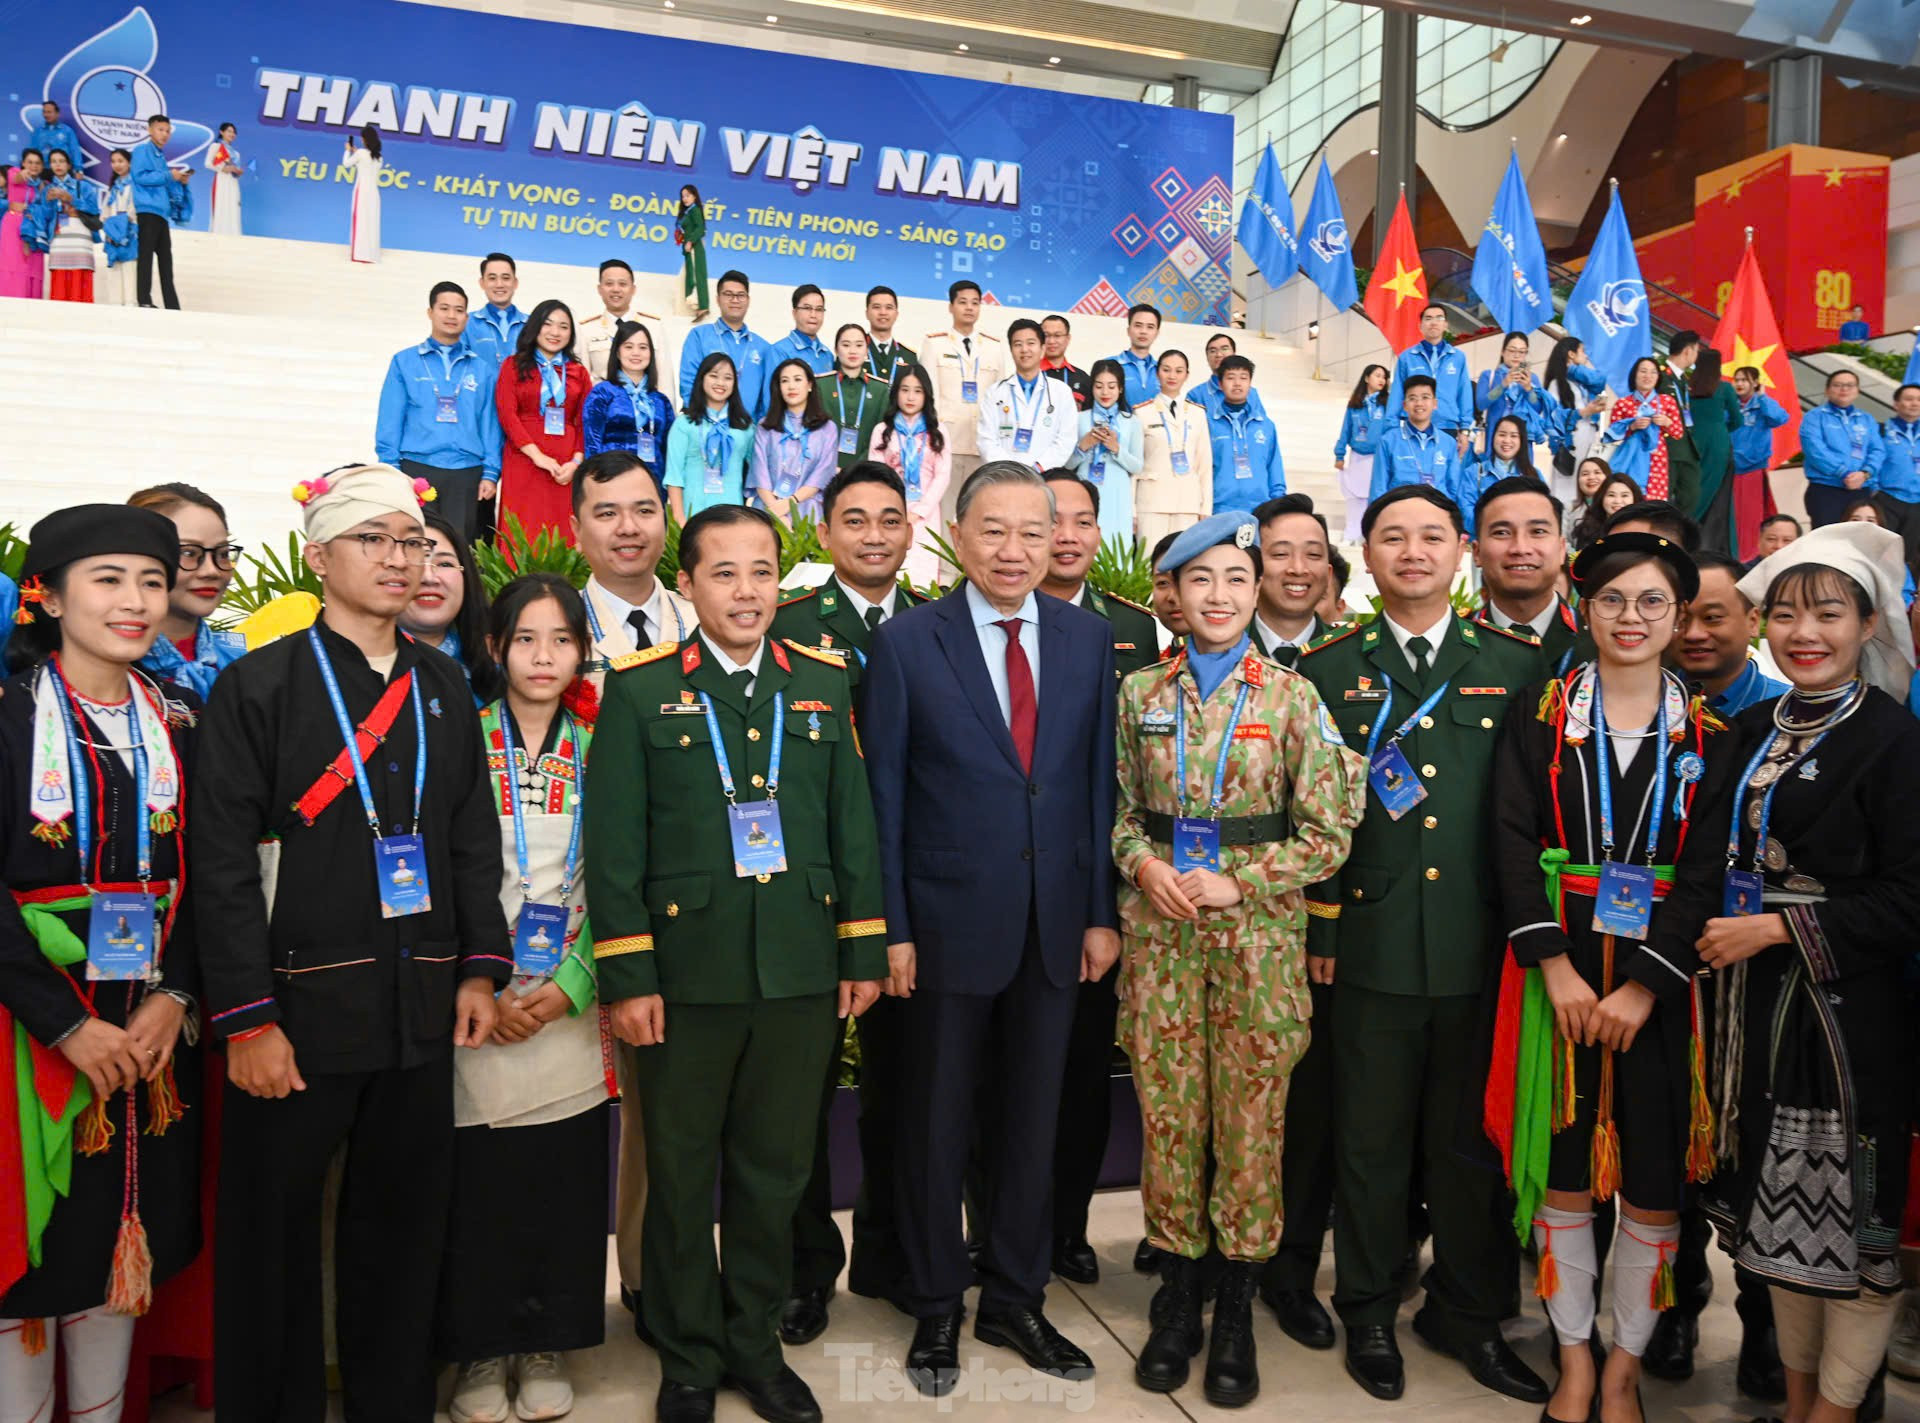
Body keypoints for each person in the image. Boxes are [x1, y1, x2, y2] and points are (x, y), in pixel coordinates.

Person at [192, 464, 509, 1422]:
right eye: (372, 538)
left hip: (418, 1009)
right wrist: (246, 1019)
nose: (398, 557)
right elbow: (220, 864)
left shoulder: (446, 681)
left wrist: (482, 969)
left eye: (410, 540)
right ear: (318, 554)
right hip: (295, 1014)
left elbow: (468, 838)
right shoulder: (260, 685)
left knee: (401, 1231)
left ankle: (391, 1402)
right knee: (272, 1237)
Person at [585, 503, 885, 1423]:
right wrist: (630, 978)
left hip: (798, 968)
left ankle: (753, 1341)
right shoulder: (639, 690)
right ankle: (686, 1350)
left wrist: (861, 946)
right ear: (688, 584)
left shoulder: (824, 683)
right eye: (725, 572)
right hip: (687, 975)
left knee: (774, 1169)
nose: (747, 591)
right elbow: (615, 847)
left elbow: (852, 824)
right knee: (678, 1172)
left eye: (763, 572)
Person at [863, 463, 1118, 1396]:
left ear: (1055, 535)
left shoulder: (1090, 640)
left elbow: (1094, 788)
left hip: (1056, 925)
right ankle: (937, 1300)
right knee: (936, 1117)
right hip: (942, 925)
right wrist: (891, 926)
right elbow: (884, 798)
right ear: (958, 536)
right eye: (993, 531)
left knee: (1032, 1117)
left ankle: (1016, 1293)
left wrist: (1099, 912)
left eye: (1031, 531)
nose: (1014, 550)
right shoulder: (904, 642)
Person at [1298, 484, 1550, 1405]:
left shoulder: (1518, 664)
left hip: (1482, 948)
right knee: (1369, 1139)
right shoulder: (1330, 668)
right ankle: (1367, 1305)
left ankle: (1469, 1312)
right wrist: (1324, 919)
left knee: (1470, 1143)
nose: (1414, 552)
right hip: (1366, 947)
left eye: (1433, 537)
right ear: (1363, 556)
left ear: (1463, 554)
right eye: (1392, 537)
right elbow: (1308, 809)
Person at [1483, 532, 1736, 1423]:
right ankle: (1576, 1358)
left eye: (1652, 603)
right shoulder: (1542, 713)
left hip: (1662, 983)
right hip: (1563, 969)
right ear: (1582, 607)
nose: (1631, 618)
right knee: (1564, 1165)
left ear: (1679, 616)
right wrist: (1552, 963)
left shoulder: (1710, 732)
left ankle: (1626, 1364)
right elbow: (1512, 839)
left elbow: (1707, 870)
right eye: (1613, 600)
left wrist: (1646, 983)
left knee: (1656, 1177)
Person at [1119, 511, 1364, 1408]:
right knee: (1171, 1116)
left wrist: (1242, 879)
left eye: (1234, 579)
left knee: (1253, 1123)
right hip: (1161, 939)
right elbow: (1114, 813)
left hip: (1257, 940)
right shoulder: (1140, 693)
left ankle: (1234, 1303)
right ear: (1173, 598)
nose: (1218, 596)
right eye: (1199, 581)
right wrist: (1142, 862)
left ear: (1255, 590)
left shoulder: (1293, 698)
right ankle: (1177, 1293)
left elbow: (1333, 828)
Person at [1705, 522, 1920, 1423]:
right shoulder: (1748, 727)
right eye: (1787, 612)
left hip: (1847, 1026)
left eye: (1829, 613)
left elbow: (1910, 897)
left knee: (1857, 1240)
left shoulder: (1893, 740)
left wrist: (1778, 929)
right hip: (1752, 1016)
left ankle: (1833, 1414)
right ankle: (1797, 1404)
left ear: (1870, 624)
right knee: (1775, 1223)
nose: (1806, 632)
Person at [0, 504, 201, 1423]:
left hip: (151, 1038)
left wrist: (175, 995)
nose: (135, 602)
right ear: (46, 593)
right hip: (28, 1031)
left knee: (124, 1243)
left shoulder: (182, 725)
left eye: (152, 581)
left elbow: (219, 877)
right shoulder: (8, 719)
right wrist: (67, 1023)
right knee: (35, 1253)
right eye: (108, 579)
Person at [440, 574, 608, 1423]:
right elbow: (436, 871)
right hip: (477, 997)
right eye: (526, 638)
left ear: (583, 649)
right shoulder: (457, 739)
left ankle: (544, 1337)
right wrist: (481, 979)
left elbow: (625, 873)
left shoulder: (605, 741)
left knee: (561, 1181)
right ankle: (479, 1347)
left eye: (562, 639)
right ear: (495, 646)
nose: (544, 656)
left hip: (568, 1003)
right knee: (479, 1185)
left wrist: (571, 982)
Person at [772, 462, 928, 1343]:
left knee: (907, 1093)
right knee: (797, 1100)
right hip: (810, 895)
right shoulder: (790, 627)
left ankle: (892, 1252)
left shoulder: (943, 624)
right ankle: (804, 1270)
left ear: (911, 530)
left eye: (890, 519)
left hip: (911, 901)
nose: (874, 534)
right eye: (855, 520)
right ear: (824, 534)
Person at [564, 452, 692, 1339]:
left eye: (643, 509)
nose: (628, 528)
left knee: (665, 1110)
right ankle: (551, 1299)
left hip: (688, 905)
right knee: (563, 1109)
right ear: (578, 527)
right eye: (607, 513)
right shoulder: (549, 626)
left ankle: (654, 1278)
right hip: (568, 904)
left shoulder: (702, 613)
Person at [374, 281, 502, 544]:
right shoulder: (404, 361)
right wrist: (392, 467)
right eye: (444, 308)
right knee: (413, 542)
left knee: (458, 547)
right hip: (416, 468)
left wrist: (490, 472)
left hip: (466, 471)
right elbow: (390, 417)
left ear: (467, 317)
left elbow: (490, 424)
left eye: (459, 310)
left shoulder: (482, 369)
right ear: (430, 312)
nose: (451, 316)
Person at [126, 483, 248, 697]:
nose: (211, 571)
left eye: (222, 553)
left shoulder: (244, 665)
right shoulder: (109, 666)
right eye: (189, 553)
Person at [1040, 472, 1160, 680]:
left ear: (1098, 535)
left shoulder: (1134, 626)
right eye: (1052, 522)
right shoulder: (1000, 620)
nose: (1068, 537)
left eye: (1083, 523)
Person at [496, 299, 591, 542]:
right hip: (524, 460)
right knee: (524, 529)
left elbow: (585, 421)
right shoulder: (513, 365)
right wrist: (537, 456)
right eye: (548, 324)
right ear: (535, 326)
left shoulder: (578, 372)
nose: (555, 332)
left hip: (565, 467)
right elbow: (507, 415)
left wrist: (576, 462)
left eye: (563, 326)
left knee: (564, 531)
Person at [1473, 476, 1580, 675]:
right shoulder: (1448, 644)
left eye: (1538, 531)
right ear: (1477, 552)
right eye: (1502, 533)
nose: (1521, 548)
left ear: (1561, 549)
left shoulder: (1599, 639)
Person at [919, 280, 1006, 506]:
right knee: (945, 511)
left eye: (975, 303)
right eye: (963, 302)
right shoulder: (934, 344)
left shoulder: (994, 346)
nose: (969, 308)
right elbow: (928, 396)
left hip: (983, 444)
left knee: (978, 509)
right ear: (951, 306)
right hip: (948, 442)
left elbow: (1001, 399)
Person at [402, 513, 499, 703]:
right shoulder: (358, 667)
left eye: (445, 564)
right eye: (414, 562)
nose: (429, 577)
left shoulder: (497, 664)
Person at [1676, 551, 1788, 716]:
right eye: (1681, 619)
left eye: (1712, 618)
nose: (1693, 634)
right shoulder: (1648, 704)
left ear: (1753, 621)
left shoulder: (1785, 710)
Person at [869, 364, 950, 586]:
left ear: (926, 395)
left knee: (923, 575)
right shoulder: (882, 430)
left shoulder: (938, 431)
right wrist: (897, 509)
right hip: (892, 512)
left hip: (927, 515)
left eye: (917, 391)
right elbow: (877, 476)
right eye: (905, 390)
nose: (910, 397)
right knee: (893, 570)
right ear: (896, 393)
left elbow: (942, 476)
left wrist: (919, 512)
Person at [583, 319, 676, 492]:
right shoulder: (602, 393)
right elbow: (592, 445)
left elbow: (668, 449)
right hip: (611, 481)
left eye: (643, 347)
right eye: (628, 346)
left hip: (652, 482)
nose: (636, 353)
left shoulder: (660, 400)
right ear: (617, 352)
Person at [978, 319, 1077, 473]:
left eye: (1031, 343)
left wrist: (1039, 468)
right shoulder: (995, 393)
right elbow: (986, 440)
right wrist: (1010, 470)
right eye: (1018, 344)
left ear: (1042, 349)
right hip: (1005, 477)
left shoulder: (1061, 392)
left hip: (1046, 475)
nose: (1024, 349)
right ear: (1011, 350)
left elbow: (1066, 439)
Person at [1136, 349, 1212, 547]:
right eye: (1166, 370)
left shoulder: (1197, 413)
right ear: (1157, 373)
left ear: (1187, 375)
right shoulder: (1142, 413)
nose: (1172, 376)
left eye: (1179, 371)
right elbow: (1135, 465)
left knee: (1184, 564)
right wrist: (1132, 510)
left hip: (1188, 502)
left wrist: (1206, 508)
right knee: (1148, 563)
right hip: (1152, 502)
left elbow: (1204, 464)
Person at [664, 353, 753, 522]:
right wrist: (679, 518)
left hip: (733, 517)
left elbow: (758, 470)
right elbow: (674, 475)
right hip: (692, 517)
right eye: (713, 376)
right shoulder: (684, 424)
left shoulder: (744, 427)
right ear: (701, 379)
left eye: (728, 378)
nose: (720, 383)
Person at [1247, 494, 1333, 663]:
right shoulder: (1220, 649)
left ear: (1329, 574)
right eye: (1281, 554)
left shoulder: (1354, 655)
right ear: (1252, 569)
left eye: (1313, 554)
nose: (1299, 569)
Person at [1369, 375, 1470, 518]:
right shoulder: (1388, 441)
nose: (1419, 403)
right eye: (1412, 398)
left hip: (1437, 517)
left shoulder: (1448, 443)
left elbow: (1454, 488)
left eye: (1425, 397)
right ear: (1404, 405)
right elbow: (1378, 489)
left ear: (1435, 403)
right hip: (1400, 517)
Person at [751, 358, 838, 525]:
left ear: (810, 385)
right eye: (785, 381)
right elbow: (759, 472)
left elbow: (822, 474)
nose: (791, 386)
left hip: (808, 510)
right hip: (768, 509)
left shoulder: (827, 428)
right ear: (778, 388)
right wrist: (776, 511)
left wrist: (790, 503)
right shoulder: (765, 426)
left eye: (798, 379)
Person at [678, 270, 772, 420]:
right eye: (728, 294)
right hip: (705, 426)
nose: (735, 300)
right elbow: (688, 384)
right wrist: (704, 421)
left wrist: (755, 429)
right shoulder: (699, 336)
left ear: (748, 300)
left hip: (747, 432)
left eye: (740, 295)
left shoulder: (764, 347)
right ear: (718, 299)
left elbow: (767, 397)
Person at [1068, 360, 1143, 545]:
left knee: (1116, 544)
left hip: (1118, 492)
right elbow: (1067, 465)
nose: (1105, 392)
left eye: (1111, 386)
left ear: (1121, 389)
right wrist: (1083, 445)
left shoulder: (1131, 421)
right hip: (1086, 488)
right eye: (1099, 386)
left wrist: (1116, 449)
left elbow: (1138, 466)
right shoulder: (1079, 419)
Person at [1800, 370, 1886, 528]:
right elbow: (1815, 450)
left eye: (1849, 385)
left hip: (1861, 488)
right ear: (1827, 390)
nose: (1844, 389)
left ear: (1857, 391)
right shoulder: (1814, 417)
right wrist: (1843, 473)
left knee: (1860, 540)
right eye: (1837, 385)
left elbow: (1878, 450)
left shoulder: (1866, 419)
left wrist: (1865, 473)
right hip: (1826, 490)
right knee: (1827, 541)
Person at [1388, 304, 1473, 458]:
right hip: (1414, 426)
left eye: (1439, 318)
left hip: (1447, 426)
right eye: (1428, 318)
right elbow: (1396, 395)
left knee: (1443, 477)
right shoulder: (1407, 357)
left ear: (1446, 325)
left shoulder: (1458, 357)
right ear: (1420, 326)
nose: (1433, 322)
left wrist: (1465, 429)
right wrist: (1391, 429)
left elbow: (1464, 393)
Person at [1208, 355, 1287, 515]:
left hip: (1260, 509)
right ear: (1221, 384)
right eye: (1230, 378)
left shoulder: (1265, 425)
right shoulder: (1208, 424)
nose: (1237, 383)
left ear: (1250, 383)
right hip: (1220, 508)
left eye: (1243, 378)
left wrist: (1278, 503)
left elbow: (1274, 466)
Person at [1729, 366, 1790, 561]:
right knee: (1733, 518)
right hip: (1729, 469)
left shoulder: (1763, 405)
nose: (1739, 384)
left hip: (1753, 468)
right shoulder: (1729, 404)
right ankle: (1733, 556)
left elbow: (1780, 418)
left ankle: (1751, 558)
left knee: (1752, 519)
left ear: (1755, 383)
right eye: (1736, 380)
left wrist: (1762, 397)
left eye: (1744, 380)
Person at [1604, 357, 1686, 502]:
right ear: (1634, 375)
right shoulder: (1623, 403)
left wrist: (1667, 422)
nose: (1648, 376)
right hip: (1629, 458)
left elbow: (1678, 433)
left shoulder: (1667, 401)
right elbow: (1612, 436)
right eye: (1643, 371)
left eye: (1653, 372)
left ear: (1658, 377)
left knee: (1654, 503)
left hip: (1656, 458)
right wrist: (1632, 426)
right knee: (1628, 499)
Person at [1687, 350, 1744, 554]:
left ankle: (1685, 532)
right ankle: (1718, 547)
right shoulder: (1725, 388)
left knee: (1693, 488)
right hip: (1719, 443)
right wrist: (1721, 430)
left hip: (1693, 442)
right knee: (1721, 494)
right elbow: (1738, 420)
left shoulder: (1688, 387)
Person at [578, 258, 665, 386]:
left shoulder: (653, 327)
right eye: (609, 284)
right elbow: (583, 380)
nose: (616, 289)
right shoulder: (586, 330)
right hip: (603, 403)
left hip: (645, 402)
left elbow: (664, 379)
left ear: (633, 289)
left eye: (623, 284)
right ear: (599, 289)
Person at [132, 114, 189, 308]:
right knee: (146, 256)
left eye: (167, 131)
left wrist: (178, 179)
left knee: (166, 260)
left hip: (161, 213)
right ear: (150, 130)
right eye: (160, 130)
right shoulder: (142, 150)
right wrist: (168, 175)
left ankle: (172, 304)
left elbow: (163, 180)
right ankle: (144, 300)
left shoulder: (161, 156)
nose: (165, 134)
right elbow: (140, 176)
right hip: (147, 211)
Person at [817, 324, 890, 476]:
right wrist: (830, 466)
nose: (852, 351)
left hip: (866, 470)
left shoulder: (880, 389)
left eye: (859, 345)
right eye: (845, 345)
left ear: (866, 349)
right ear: (836, 350)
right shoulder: (822, 385)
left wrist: (861, 465)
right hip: (824, 468)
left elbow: (882, 435)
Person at [1545, 336, 1611, 498]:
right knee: (1567, 488)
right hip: (1570, 443)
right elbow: (1553, 417)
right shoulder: (1556, 384)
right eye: (1582, 351)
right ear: (1571, 354)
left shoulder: (1581, 384)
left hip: (1587, 438)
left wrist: (1594, 409)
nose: (1586, 356)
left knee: (1584, 485)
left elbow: (1599, 379)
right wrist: (1584, 411)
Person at [34, 148, 100, 303]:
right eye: (54, 162)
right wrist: (49, 204)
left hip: (80, 238)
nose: (58, 165)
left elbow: (94, 209)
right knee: (59, 282)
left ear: (69, 165)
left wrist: (71, 198)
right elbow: (46, 217)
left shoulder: (83, 186)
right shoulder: (48, 189)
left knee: (80, 280)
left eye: (61, 161)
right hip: (59, 238)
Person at [1335, 365, 1391, 544]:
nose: (1381, 380)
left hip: (1378, 457)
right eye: (1377, 376)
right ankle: (1352, 531)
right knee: (1354, 495)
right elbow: (1345, 429)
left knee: (1373, 495)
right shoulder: (1355, 404)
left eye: (1384, 377)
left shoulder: (1387, 404)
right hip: (1357, 456)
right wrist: (1339, 454)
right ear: (1366, 378)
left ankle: (1369, 534)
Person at [1474, 331, 1551, 463]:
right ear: (1503, 352)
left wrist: (1528, 389)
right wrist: (1503, 385)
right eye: (1512, 350)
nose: (1516, 356)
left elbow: (1537, 408)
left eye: (1522, 352)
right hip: (1495, 436)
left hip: (1522, 438)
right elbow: (1481, 403)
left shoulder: (1532, 378)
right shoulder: (1490, 376)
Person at [1878, 382, 1920, 571]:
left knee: (1910, 554)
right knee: (1884, 551)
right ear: (1896, 404)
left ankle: (1907, 595)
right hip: (1888, 499)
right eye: (1908, 399)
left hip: (1918, 502)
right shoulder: (1882, 430)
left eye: (1918, 400)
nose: (1914, 403)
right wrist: (1874, 491)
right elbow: (1872, 458)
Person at [465, 252, 526, 372]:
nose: (499, 284)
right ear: (482, 283)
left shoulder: (532, 324)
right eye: (492, 278)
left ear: (515, 283)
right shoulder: (466, 323)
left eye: (506, 278)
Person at [1186, 334, 1268, 421]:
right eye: (1213, 351)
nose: (1219, 354)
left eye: (1224, 349)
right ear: (1207, 357)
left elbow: (1262, 425)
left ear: (1234, 353)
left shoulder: (1251, 393)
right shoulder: (1195, 395)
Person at [1468, 414, 1544, 507]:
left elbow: (1542, 509)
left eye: (1513, 436)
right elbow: (1466, 510)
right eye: (1502, 435)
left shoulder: (1535, 475)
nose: (1507, 440)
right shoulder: (1474, 473)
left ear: (1522, 441)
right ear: (1493, 437)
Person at [2, 150, 43, 301]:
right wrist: (23, 174)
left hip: (33, 227)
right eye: (30, 162)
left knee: (33, 264)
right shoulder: (14, 172)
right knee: (14, 263)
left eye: (37, 163)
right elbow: (17, 178)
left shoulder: (41, 185)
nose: (33, 166)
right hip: (13, 223)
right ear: (23, 163)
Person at [99, 148, 138, 307]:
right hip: (113, 234)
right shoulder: (113, 188)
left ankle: (130, 304)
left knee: (130, 270)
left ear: (129, 163)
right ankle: (114, 306)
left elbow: (135, 209)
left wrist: (124, 224)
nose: (117, 165)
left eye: (121, 161)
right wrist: (110, 231)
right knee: (114, 270)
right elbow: (104, 213)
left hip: (130, 232)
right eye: (113, 161)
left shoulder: (136, 185)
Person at [768, 284, 835, 376]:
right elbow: (772, 389)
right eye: (807, 308)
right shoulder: (779, 351)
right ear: (794, 313)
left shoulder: (827, 355)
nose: (813, 315)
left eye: (819, 309)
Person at [1573, 472, 1644, 551]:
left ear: (1635, 498)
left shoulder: (1644, 528)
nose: (1617, 501)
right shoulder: (1587, 529)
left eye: (1624, 495)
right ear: (1602, 498)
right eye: (1611, 495)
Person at [343, 123, 381, 265]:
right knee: (371, 223)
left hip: (362, 192)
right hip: (374, 194)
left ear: (364, 139)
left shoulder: (360, 154)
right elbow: (365, 159)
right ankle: (371, 254)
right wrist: (356, 151)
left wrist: (348, 151)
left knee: (359, 222)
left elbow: (346, 164)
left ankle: (359, 254)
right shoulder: (378, 157)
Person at [863, 285, 914, 386]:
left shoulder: (909, 356)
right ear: (867, 313)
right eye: (876, 307)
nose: (883, 312)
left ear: (896, 314)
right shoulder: (853, 349)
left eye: (889, 307)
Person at [1113, 304, 1161, 409]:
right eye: (1138, 325)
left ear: (1157, 333)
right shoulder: (1110, 366)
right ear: (1128, 330)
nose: (1143, 331)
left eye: (1150, 327)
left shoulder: (1163, 370)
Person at [1040, 314, 1091, 410]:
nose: (1051, 341)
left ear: (1068, 339)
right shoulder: (1031, 375)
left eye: (1057, 335)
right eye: (1046, 336)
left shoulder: (1082, 378)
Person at [675, 185, 709, 318]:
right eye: (683, 196)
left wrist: (690, 241)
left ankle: (702, 306)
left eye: (688, 195)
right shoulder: (688, 212)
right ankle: (696, 306)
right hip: (689, 248)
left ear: (694, 196)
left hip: (695, 247)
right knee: (691, 275)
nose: (685, 199)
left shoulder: (695, 211)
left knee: (696, 276)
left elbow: (700, 229)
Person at [207, 122, 242, 236]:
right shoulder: (216, 146)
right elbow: (208, 164)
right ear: (221, 132)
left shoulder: (236, 153)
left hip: (232, 181)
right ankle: (217, 233)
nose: (232, 134)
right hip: (221, 180)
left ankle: (233, 234)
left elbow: (235, 168)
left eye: (234, 132)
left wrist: (237, 171)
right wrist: (223, 168)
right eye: (229, 131)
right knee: (220, 206)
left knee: (233, 207)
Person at [26, 100, 82, 170]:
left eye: (49, 112)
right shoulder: (38, 132)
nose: (46, 115)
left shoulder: (67, 131)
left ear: (57, 113)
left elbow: (75, 150)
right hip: (43, 170)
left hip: (63, 171)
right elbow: (32, 152)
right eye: (44, 112)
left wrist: (78, 169)